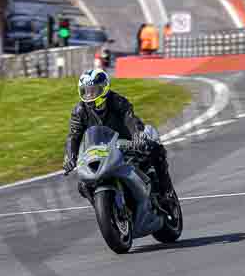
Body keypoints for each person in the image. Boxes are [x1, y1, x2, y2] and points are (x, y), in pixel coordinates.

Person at [62, 70, 175, 206]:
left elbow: (130, 119)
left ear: (104, 89)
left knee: (155, 150)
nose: (89, 95)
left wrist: (137, 136)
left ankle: (166, 191)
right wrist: (70, 156)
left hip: (127, 143)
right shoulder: (79, 111)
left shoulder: (117, 101)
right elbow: (73, 135)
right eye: (86, 91)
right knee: (83, 185)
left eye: (93, 90)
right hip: (99, 150)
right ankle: (107, 209)